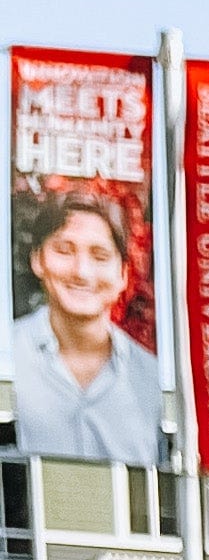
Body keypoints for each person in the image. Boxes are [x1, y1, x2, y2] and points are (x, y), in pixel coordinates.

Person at [11, 195, 164, 463]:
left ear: (123, 275)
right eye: (64, 250)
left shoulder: (153, 379)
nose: (82, 272)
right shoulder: (7, 355)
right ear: (38, 259)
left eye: (100, 255)